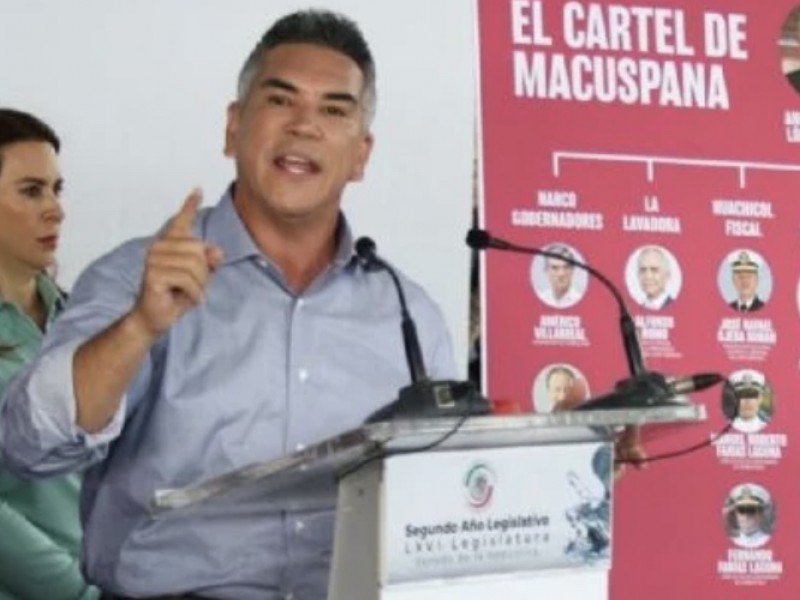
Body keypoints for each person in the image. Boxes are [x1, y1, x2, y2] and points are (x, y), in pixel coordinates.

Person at [0, 11, 456, 599]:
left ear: (361, 154)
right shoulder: (135, 277)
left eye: (334, 110)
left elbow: (442, 500)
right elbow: (28, 447)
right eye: (281, 100)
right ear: (233, 127)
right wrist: (139, 327)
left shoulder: (408, 313)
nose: (304, 126)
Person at [0, 109, 99, 599]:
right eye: (31, 191)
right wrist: (82, 594)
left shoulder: (80, 320)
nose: (55, 209)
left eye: (56, 190)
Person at [537, 244, 582, 309]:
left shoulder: (580, 299)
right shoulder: (541, 298)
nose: (561, 274)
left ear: (572, 269)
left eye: (566, 267)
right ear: (546, 271)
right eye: (555, 268)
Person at [635, 245, 673, 310]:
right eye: (643, 270)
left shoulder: (679, 307)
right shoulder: (634, 309)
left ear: (667, 275)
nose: (648, 276)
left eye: (654, 270)